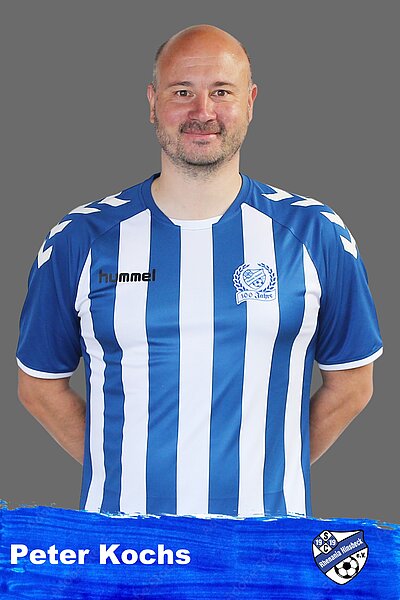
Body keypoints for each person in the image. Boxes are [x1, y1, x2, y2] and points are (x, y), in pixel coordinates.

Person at [17, 24, 383, 517]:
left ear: (250, 102)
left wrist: (274, 472)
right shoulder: (79, 239)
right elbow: (39, 385)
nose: (202, 111)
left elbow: (353, 384)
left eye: (222, 92)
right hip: (125, 544)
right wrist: (122, 473)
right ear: (153, 103)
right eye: (182, 92)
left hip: (266, 542)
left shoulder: (314, 233)